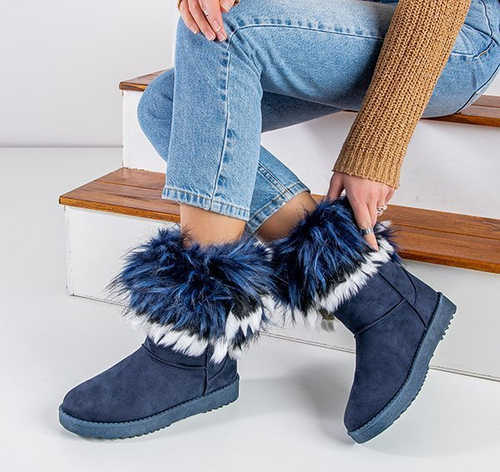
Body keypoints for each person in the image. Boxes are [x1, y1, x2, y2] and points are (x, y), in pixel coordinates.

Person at [58, 0, 500, 442]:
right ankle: (375, 294)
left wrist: (375, 147)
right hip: (358, 18)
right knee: (167, 103)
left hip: (451, 39)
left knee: (222, 32)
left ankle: (192, 345)